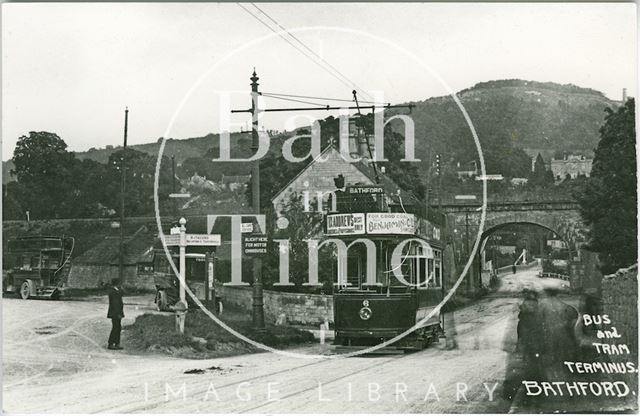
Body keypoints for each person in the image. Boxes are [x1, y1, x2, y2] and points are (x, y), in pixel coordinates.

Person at [107, 278, 124, 350]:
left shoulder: (116, 290)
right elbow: (115, 304)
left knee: (118, 327)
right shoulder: (113, 292)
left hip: (115, 312)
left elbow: (123, 293)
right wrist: (118, 313)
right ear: (117, 284)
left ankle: (116, 343)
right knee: (116, 328)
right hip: (115, 313)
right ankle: (111, 343)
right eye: (120, 283)